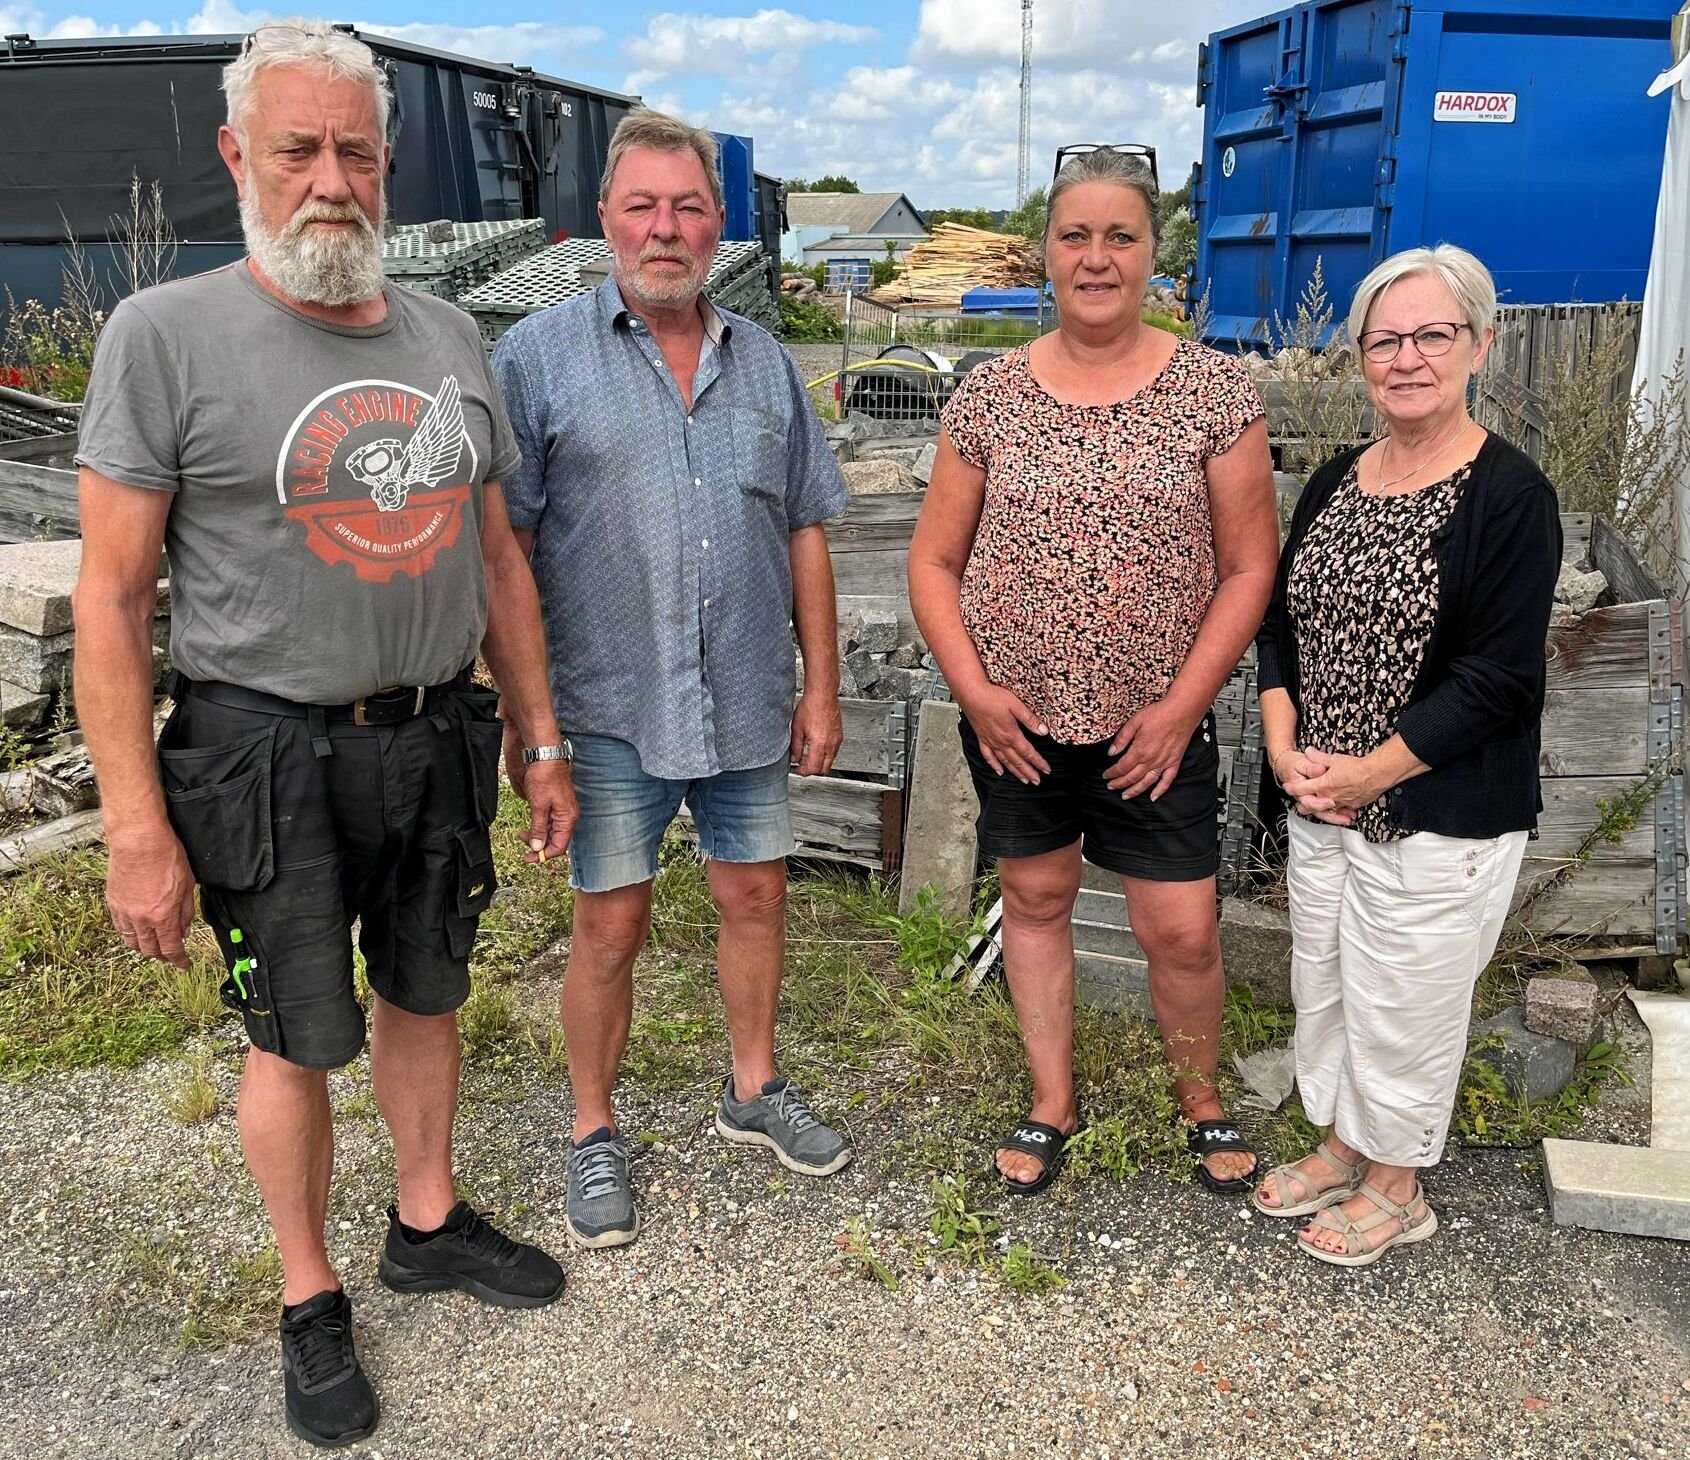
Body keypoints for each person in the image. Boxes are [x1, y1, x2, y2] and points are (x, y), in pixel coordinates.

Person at [72, 22, 578, 1448]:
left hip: (434, 737)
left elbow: (498, 564)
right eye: (297, 149)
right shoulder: (163, 338)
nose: (329, 181)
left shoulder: (444, 336)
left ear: (388, 165)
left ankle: (425, 1218)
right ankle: (310, 1297)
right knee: (294, 1038)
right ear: (239, 157)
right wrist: (132, 824)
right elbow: (109, 601)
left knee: (427, 992)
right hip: (263, 753)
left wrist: (537, 739)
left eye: (356, 151)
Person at [490, 109, 854, 1251]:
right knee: (613, 920)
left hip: (745, 692)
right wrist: (530, 724)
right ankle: (592, 1128)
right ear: (603, 220)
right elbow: (507, 557)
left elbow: (805, 529)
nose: (665, 227)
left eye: (688, 206)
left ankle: (752, 1086)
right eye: (642, 205)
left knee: (754, 896)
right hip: (605, 706)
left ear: (717, 222)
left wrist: (822, 684)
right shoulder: (535, 358)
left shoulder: (765, 363)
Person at [907, 146, 1279, 1197]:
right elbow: (933, 560)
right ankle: (1050, 1098)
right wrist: (975, 692)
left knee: (1181, 923)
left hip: (1155, 719)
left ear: (1153, 253)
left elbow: (1251, 564)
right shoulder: (988, 397)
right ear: (1045, 255)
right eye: (1077, 235)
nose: (1097, 256)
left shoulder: (1213, 390)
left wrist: (1181, 706)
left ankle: (1201, 1101)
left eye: (1121, 235)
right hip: (1015, 716)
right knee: (1034, 893)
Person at [1252, 244, 1560, 1267]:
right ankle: (1345, 1142)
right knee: (1331, 981)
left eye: (1432, 335)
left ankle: (1399, 1182)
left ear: (1478, 344)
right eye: (1384, 340)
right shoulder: (1339, 477)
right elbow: (1282, 623)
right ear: (1360, 358)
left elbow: (1499, 677)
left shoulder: (1511, 497)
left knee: (1404, 1003)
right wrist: (1281, 733)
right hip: (1320, 794)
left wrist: (1371, 770)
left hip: (1434, 808)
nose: (1407, 357)